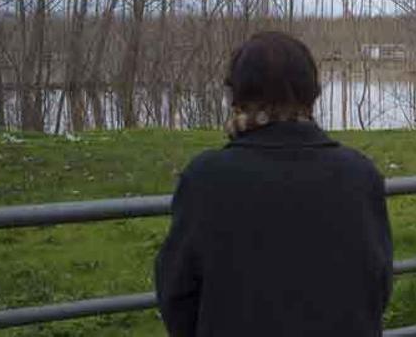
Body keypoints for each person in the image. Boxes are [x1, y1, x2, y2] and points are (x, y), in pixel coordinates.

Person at [155, 31, 393, 337]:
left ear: (236, 97)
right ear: (312, 94)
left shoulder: (206, 178)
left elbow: (177, 295)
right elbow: (378, 285)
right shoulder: (361, 174)